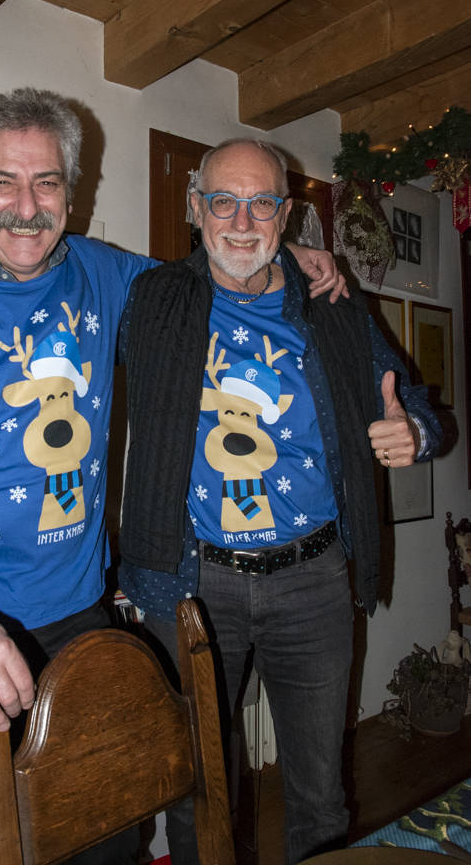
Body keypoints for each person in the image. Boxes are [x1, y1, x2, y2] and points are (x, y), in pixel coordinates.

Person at [0, 87, 344, 865]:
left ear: (72, 192)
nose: (25, 207)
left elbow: (215, 271)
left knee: (107, 832)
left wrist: (291, 258)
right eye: (3, 182)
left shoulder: (108, 274)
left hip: (81, 622)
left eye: (46, 183)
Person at [118, 138, 441, 865]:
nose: (241, 221)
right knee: (198, 797)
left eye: (260, 203)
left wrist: (413, 432)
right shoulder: (151, 296)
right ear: (195, 207)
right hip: (193, 586)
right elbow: (45, 261)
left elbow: (414, 400)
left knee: (320, 797)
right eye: (223, 202)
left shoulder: (332, 306)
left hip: (313, 585)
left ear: (285, 214)